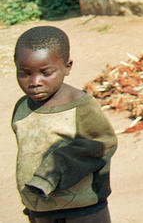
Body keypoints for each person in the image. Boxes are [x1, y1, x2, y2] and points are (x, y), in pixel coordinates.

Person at [12, 26, 117, 223]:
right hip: (40, 208)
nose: (34, 81)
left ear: (67, 67)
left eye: (46, 72)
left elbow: (102, 143)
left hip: (82, 210)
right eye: (24, 73)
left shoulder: (80, 106)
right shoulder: (22, 108)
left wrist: (53, 170)